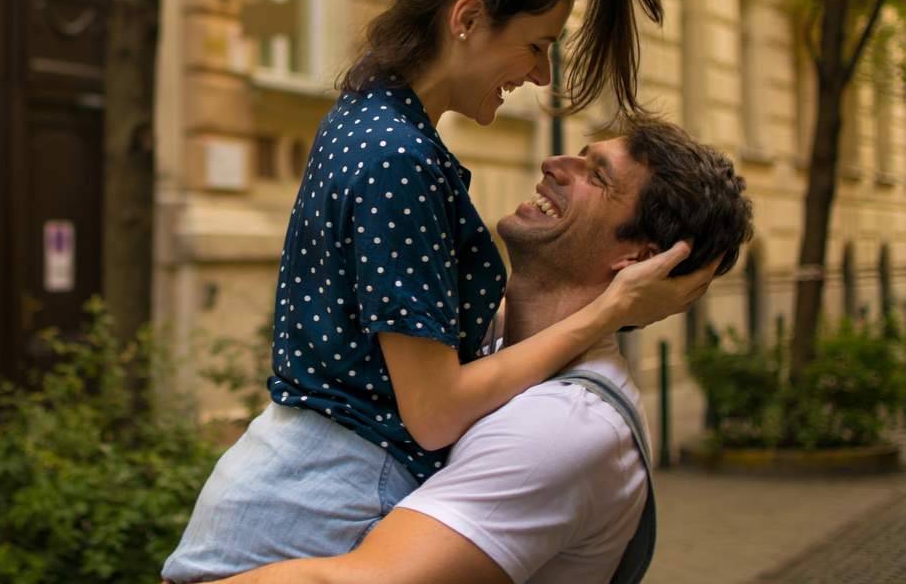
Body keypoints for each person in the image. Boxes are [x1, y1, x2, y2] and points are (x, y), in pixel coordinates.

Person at [162, 0, 718, 583]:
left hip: (293, 482)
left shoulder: (366, 115)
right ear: (467, 18)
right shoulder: (400, 159)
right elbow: (433, 412)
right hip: (319, 500)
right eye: (536, 44)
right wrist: (610, 311)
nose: (539, 74)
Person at [211, 117, 755, 584]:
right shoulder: (489, 348)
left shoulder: (565, 426)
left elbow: (368, 579)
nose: (553, 162)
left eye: (597, 175)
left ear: (639, 258)